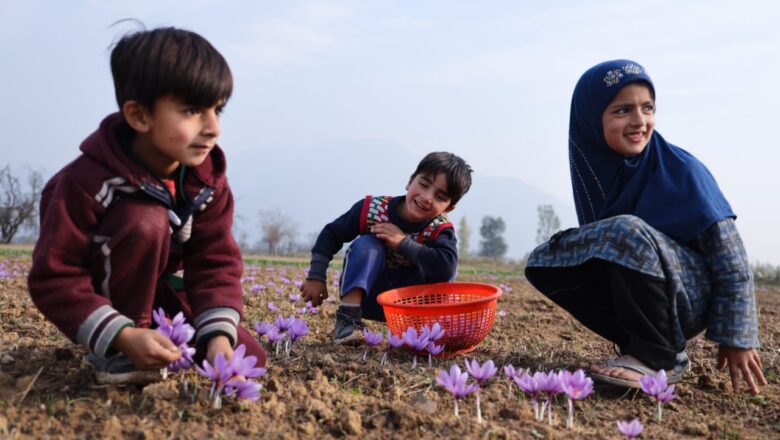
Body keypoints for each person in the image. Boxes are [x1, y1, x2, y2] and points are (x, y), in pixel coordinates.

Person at [27, 26, 266, 384]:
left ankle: (155, 341)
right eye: (192, 110)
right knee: (146, 218)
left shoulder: (206, 182)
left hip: (156, 290)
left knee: (246, 353)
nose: (213, 127)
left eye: (217, 109)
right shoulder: (85, 183)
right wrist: (123, 335)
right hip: (102, 297)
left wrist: (217, 339)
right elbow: (54, 275)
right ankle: (116, 353)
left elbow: (214, 260)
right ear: (139, 116)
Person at [524, 60, 766, 394]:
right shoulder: (600, 171)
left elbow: (731, 259)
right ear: (590, 121)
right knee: (547, 260)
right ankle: (638, 343)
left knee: (623, 232)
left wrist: (738, 337)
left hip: (689, 295)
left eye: (648, 108)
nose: (640, 121)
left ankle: (658, 357)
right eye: (623, 110)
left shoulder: (682, 171)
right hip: (650, 284)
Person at [300, 152, 473, 345]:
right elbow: (331, 234)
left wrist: (403, 243)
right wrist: (316, 276)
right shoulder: (372, 210)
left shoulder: (440, 230)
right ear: (410, 181)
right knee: (368, 244)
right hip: (369, 296)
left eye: (439, 196)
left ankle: (422, 333)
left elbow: (446, 268)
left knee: (439, 266)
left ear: (449, 208)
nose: (426, 197)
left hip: (411, 308)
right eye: (423, 185)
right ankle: (348, 320)